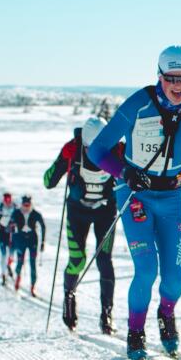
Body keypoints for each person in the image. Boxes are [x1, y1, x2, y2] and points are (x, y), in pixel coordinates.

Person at [88, 45, 181, 360]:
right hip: (135, 194)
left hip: (171, 198)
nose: (178, 85)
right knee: (146, 270)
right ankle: (136, 333)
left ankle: (166, 314)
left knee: (174, 280)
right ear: (160, 76)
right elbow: (97, 150)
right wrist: (125, 173)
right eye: (171, 77)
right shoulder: (138, 104)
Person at [44, 116, 125, 334]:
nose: (97, 154)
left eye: (102, 147)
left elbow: (133, 176)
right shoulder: (73, 150)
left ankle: (107, 315)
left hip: (105, 212)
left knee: (104, 260)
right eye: (91, 148)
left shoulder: (117, 149)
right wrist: (63, 160)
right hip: (77, 212)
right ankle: (69, 301)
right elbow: (48, 181)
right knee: (78, 261)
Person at [10, 195, 47, 296]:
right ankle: (18, 278)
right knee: (20, 261)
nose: (26, 207)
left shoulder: (35, 213)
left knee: (33, 264)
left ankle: (32, 286)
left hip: (32, 240)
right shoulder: (16, 212)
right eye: (24, 205)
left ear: (30, 204)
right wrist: (12, 228)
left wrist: (43, 242)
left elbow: (43, 226)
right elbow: (10, 225)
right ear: (22, 204)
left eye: (28, 205)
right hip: (20, 239)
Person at [0, 192, 17, 284]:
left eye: (9, 199)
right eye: (6, 200)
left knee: (12, 254)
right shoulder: (0, 208)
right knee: (3, 254)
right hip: (2, 233)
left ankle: (8, 265)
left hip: (12, 233)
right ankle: (3, 275)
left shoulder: (15, 207)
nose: (7, 202)